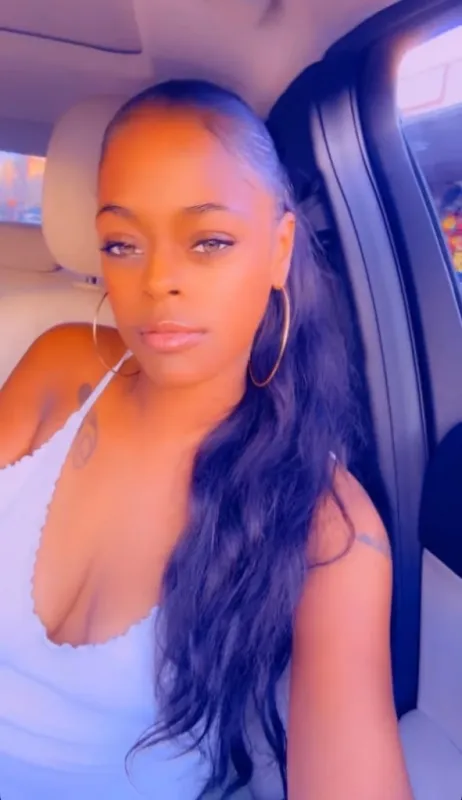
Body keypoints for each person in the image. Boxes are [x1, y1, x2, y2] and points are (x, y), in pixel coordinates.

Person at [0, 80, 412, 799]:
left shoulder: (330, 530)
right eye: (123, 243)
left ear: (279, 249)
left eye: (209, 241)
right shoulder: (60, 366)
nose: (159, 281)